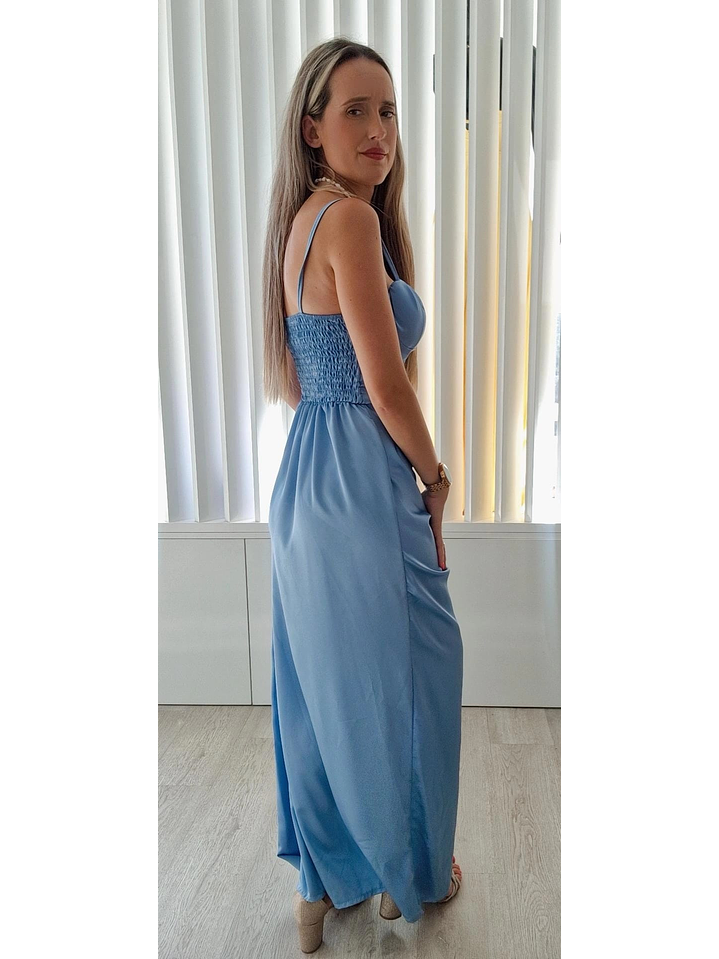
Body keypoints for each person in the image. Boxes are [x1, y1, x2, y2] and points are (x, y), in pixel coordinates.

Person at [263, 37, 463, 954]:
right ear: (313, 128)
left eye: (387, 111)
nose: (378, 129)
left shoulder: (299, 222)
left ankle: (319, 888)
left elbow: (307, 380)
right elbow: (385, 387)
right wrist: (434, 476)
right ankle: (408, 872)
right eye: (354, 110)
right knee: (414, 677)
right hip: (362, 482)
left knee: (322, 690)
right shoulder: (349, 221)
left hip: (306, 478)